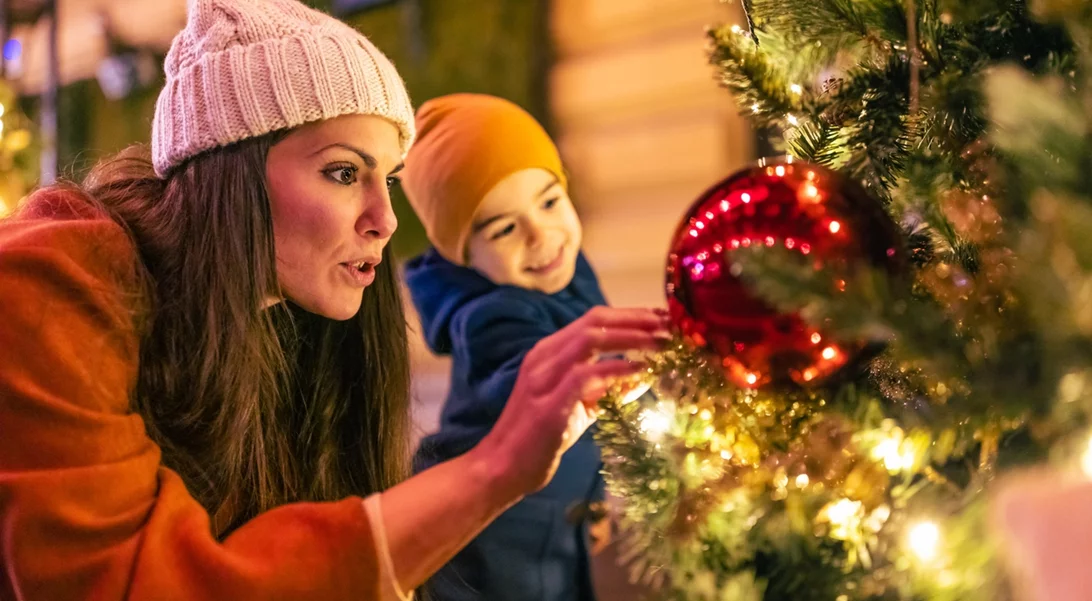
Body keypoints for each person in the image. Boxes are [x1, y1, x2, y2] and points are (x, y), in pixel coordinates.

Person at [0, 1, 669, 599]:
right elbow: (121, 582)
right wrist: (494, 468)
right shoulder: (46, 285)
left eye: (389, 180)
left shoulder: (287, 321)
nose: (385, 219)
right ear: (232, 171)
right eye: (344, 172)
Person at [399, 93, 614, 601]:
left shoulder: (569, 275)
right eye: (503, 228)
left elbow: (594, 423)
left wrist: (596, 494)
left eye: (548, 201)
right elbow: (532, 378)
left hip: (557, 516)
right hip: (491, 539)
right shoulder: (490, 318)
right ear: (465, 256)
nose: (541, 235)